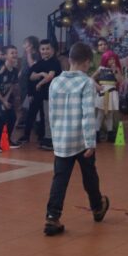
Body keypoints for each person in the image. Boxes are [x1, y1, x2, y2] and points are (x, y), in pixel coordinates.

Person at [43, 42, 110, 236]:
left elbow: (52, 114)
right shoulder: (86, 82)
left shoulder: (55, 82)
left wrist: (55, 138)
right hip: (81, 140)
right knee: (89, 176)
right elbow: (88, 114)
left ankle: (52, 217)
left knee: (60, 178)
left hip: (62, 140)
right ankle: (97, 207)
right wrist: (91, 142)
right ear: (87, 62)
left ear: (70, 59)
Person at [24, 39, 62, 150]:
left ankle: (50, 139)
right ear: (39, 50)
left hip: (51, 95)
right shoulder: (39, 63)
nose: (45, 51)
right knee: (38, 115)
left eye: (47, 49)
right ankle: (40, 137)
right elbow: (31, 76)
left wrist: (39, 83)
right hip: (39, 95)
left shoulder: (55, 62)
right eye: (43, 49)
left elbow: (50, 76)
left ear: (52, 50)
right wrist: (41, 74)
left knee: (49, 117)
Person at [0, 46, 23, 153]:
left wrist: (6, 99)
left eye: (16, 52)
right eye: (12, 53)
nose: (15, 55)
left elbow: (12, 85)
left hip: (5, 96)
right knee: (2, 118)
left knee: (12, 118)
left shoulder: (15, 70)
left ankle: (8, 140)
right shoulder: (2, 69)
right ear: (5, 56)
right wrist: (3, 101)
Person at [93, 50, 124, 143]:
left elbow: (120, 80)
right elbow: (91, 78)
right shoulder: (101, 69)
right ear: (105, 59)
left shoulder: (116, 69)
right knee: (100, 115)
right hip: (103, 93)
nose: (112, 61)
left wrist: (115, 71)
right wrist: (97, 86)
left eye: (113, 59)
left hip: (112, 93)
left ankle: (110, 134)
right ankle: (96, 134)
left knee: (110, 115)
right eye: (110, 59)